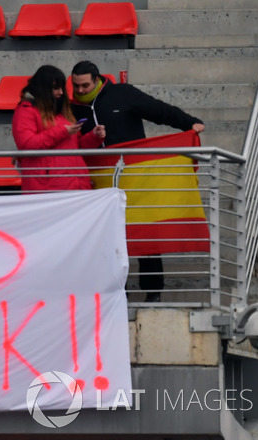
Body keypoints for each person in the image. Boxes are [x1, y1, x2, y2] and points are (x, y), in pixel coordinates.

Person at [70, 60, 205, 302]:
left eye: (84, 85)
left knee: (145, 234)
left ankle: (153, 291)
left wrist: (188, 122)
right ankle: (116, 291)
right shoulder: (68, 108)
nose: (79, 91)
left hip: (135, 178)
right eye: (76, 86)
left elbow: (157, 110)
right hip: (96, 182)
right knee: (105, 239)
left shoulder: (122, 93)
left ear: (97, 80)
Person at [12, 65, 106, 192]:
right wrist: (62, 131)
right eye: (56, 88)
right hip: (48, 188)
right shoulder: (26, 111)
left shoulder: (61, 113)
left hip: (74, 184)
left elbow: (75, 147)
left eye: (62, 88)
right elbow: (27, 145)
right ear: (43, 89)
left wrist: (94, 136)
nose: (61, 92)